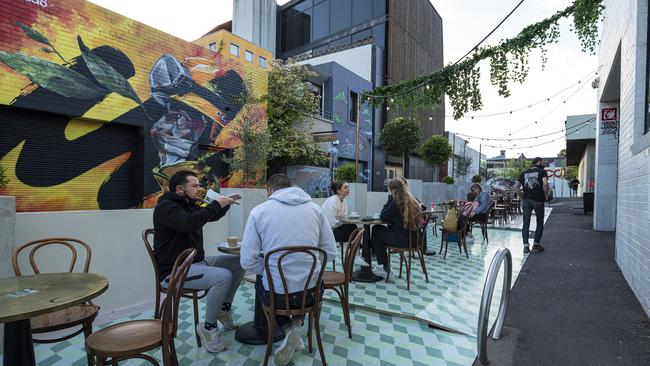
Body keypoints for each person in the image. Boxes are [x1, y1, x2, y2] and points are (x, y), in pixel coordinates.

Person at [240, 174, 337, 366]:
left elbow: (247, 262)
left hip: (277, 296)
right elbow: (331, 253)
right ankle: (297, 323)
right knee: (303, 284)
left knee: (263, 282)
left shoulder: (259, 212)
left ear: (269, 190)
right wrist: (307, 264)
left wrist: (268, 268)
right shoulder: (315, 209)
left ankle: (287, 328)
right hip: (310, 294)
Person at [153, 170, 243, 353]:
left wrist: (225, 204)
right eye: (194, 185)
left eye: (199, 185)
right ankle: (208, 328)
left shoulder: (187, 204)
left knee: (239, 262)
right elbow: (190, 223)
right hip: (174, 271)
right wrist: (216, 204)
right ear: (180, 189)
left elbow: (209, 215)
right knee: (223, 277)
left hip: (196, 262)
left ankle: (223, 309)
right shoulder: (166, 207)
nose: (199, 188)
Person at [370, 178, 423, 274]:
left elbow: (383, 216)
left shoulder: (397, 203)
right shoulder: (413, 201)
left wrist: (388, 201)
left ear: (393, 190)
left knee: (376, 229)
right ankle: (375, 254)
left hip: (402, 240)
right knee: (379, 232)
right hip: (415, 240)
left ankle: (382, 261)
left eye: (389, 189)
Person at [519, 157, 550, 254]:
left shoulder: (524, 173)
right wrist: (546, 195)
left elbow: (515, 186)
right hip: (538, 200)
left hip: (526, 201)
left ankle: (526, 246)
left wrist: (521, 197)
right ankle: (536, 245)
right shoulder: (542, 171)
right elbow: (545, 184)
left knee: (526, 223)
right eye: (542, 162)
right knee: (539, 222)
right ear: (539, 162)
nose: (543, 163)